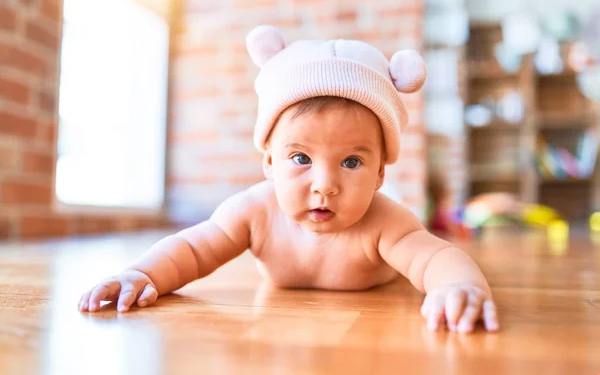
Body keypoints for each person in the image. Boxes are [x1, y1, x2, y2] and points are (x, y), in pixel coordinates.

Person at [78, 25, 499, 334]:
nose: (324, 184)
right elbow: (191, 249)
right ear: (268, 163)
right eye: (300, 157)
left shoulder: (385, 222)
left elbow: (437, 258)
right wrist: (142, 274)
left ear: (379, 175)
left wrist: (457, 286)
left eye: (352, 162)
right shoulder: (253, 211)